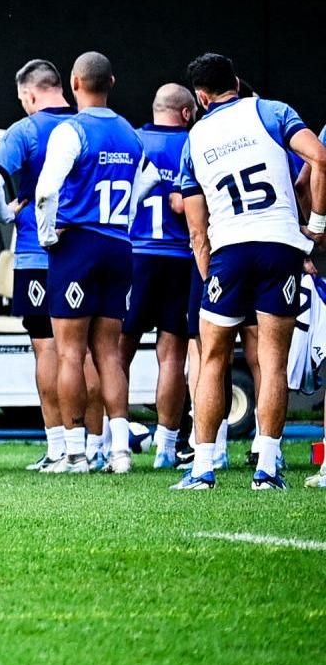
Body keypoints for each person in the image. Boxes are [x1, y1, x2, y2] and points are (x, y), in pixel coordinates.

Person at [170, 51, 326, 489]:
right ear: (235, 81)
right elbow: (320, 158)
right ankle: (268, 468)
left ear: (201, 97)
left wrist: (208, 275)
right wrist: (316, 228)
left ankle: (202, 467)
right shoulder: (273, 111)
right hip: (279, 246)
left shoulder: (195, 138)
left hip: (230, 250)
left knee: (213, 357)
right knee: (272, 362)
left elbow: (197, 230)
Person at [34, 50, 147, 473]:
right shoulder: (132, 134)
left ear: (74, 84)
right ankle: (119, 450)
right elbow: (145, 183)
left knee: (69, 353)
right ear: (111, 84)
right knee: (110, 354)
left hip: (77, 245)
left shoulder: (70, 130)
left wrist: (47, 235)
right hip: (119, 245)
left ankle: (76, 451)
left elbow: (46, 191)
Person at [0, 59, 81, 470]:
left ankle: (58, 446)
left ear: (29, 94)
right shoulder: (84, 126)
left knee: (48, 350)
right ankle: (94, 444)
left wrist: (5, 213)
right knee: (88, 352)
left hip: (38, 255)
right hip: (83, 252)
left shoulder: (25, 130)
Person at [128, 81, 199, 472]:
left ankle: (112, 440)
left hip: (135, 255)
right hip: (179, 258)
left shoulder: (134, 141)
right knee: (171, 356)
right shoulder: (195, 143)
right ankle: (166, 447)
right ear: (186, 112)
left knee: (113, 353)